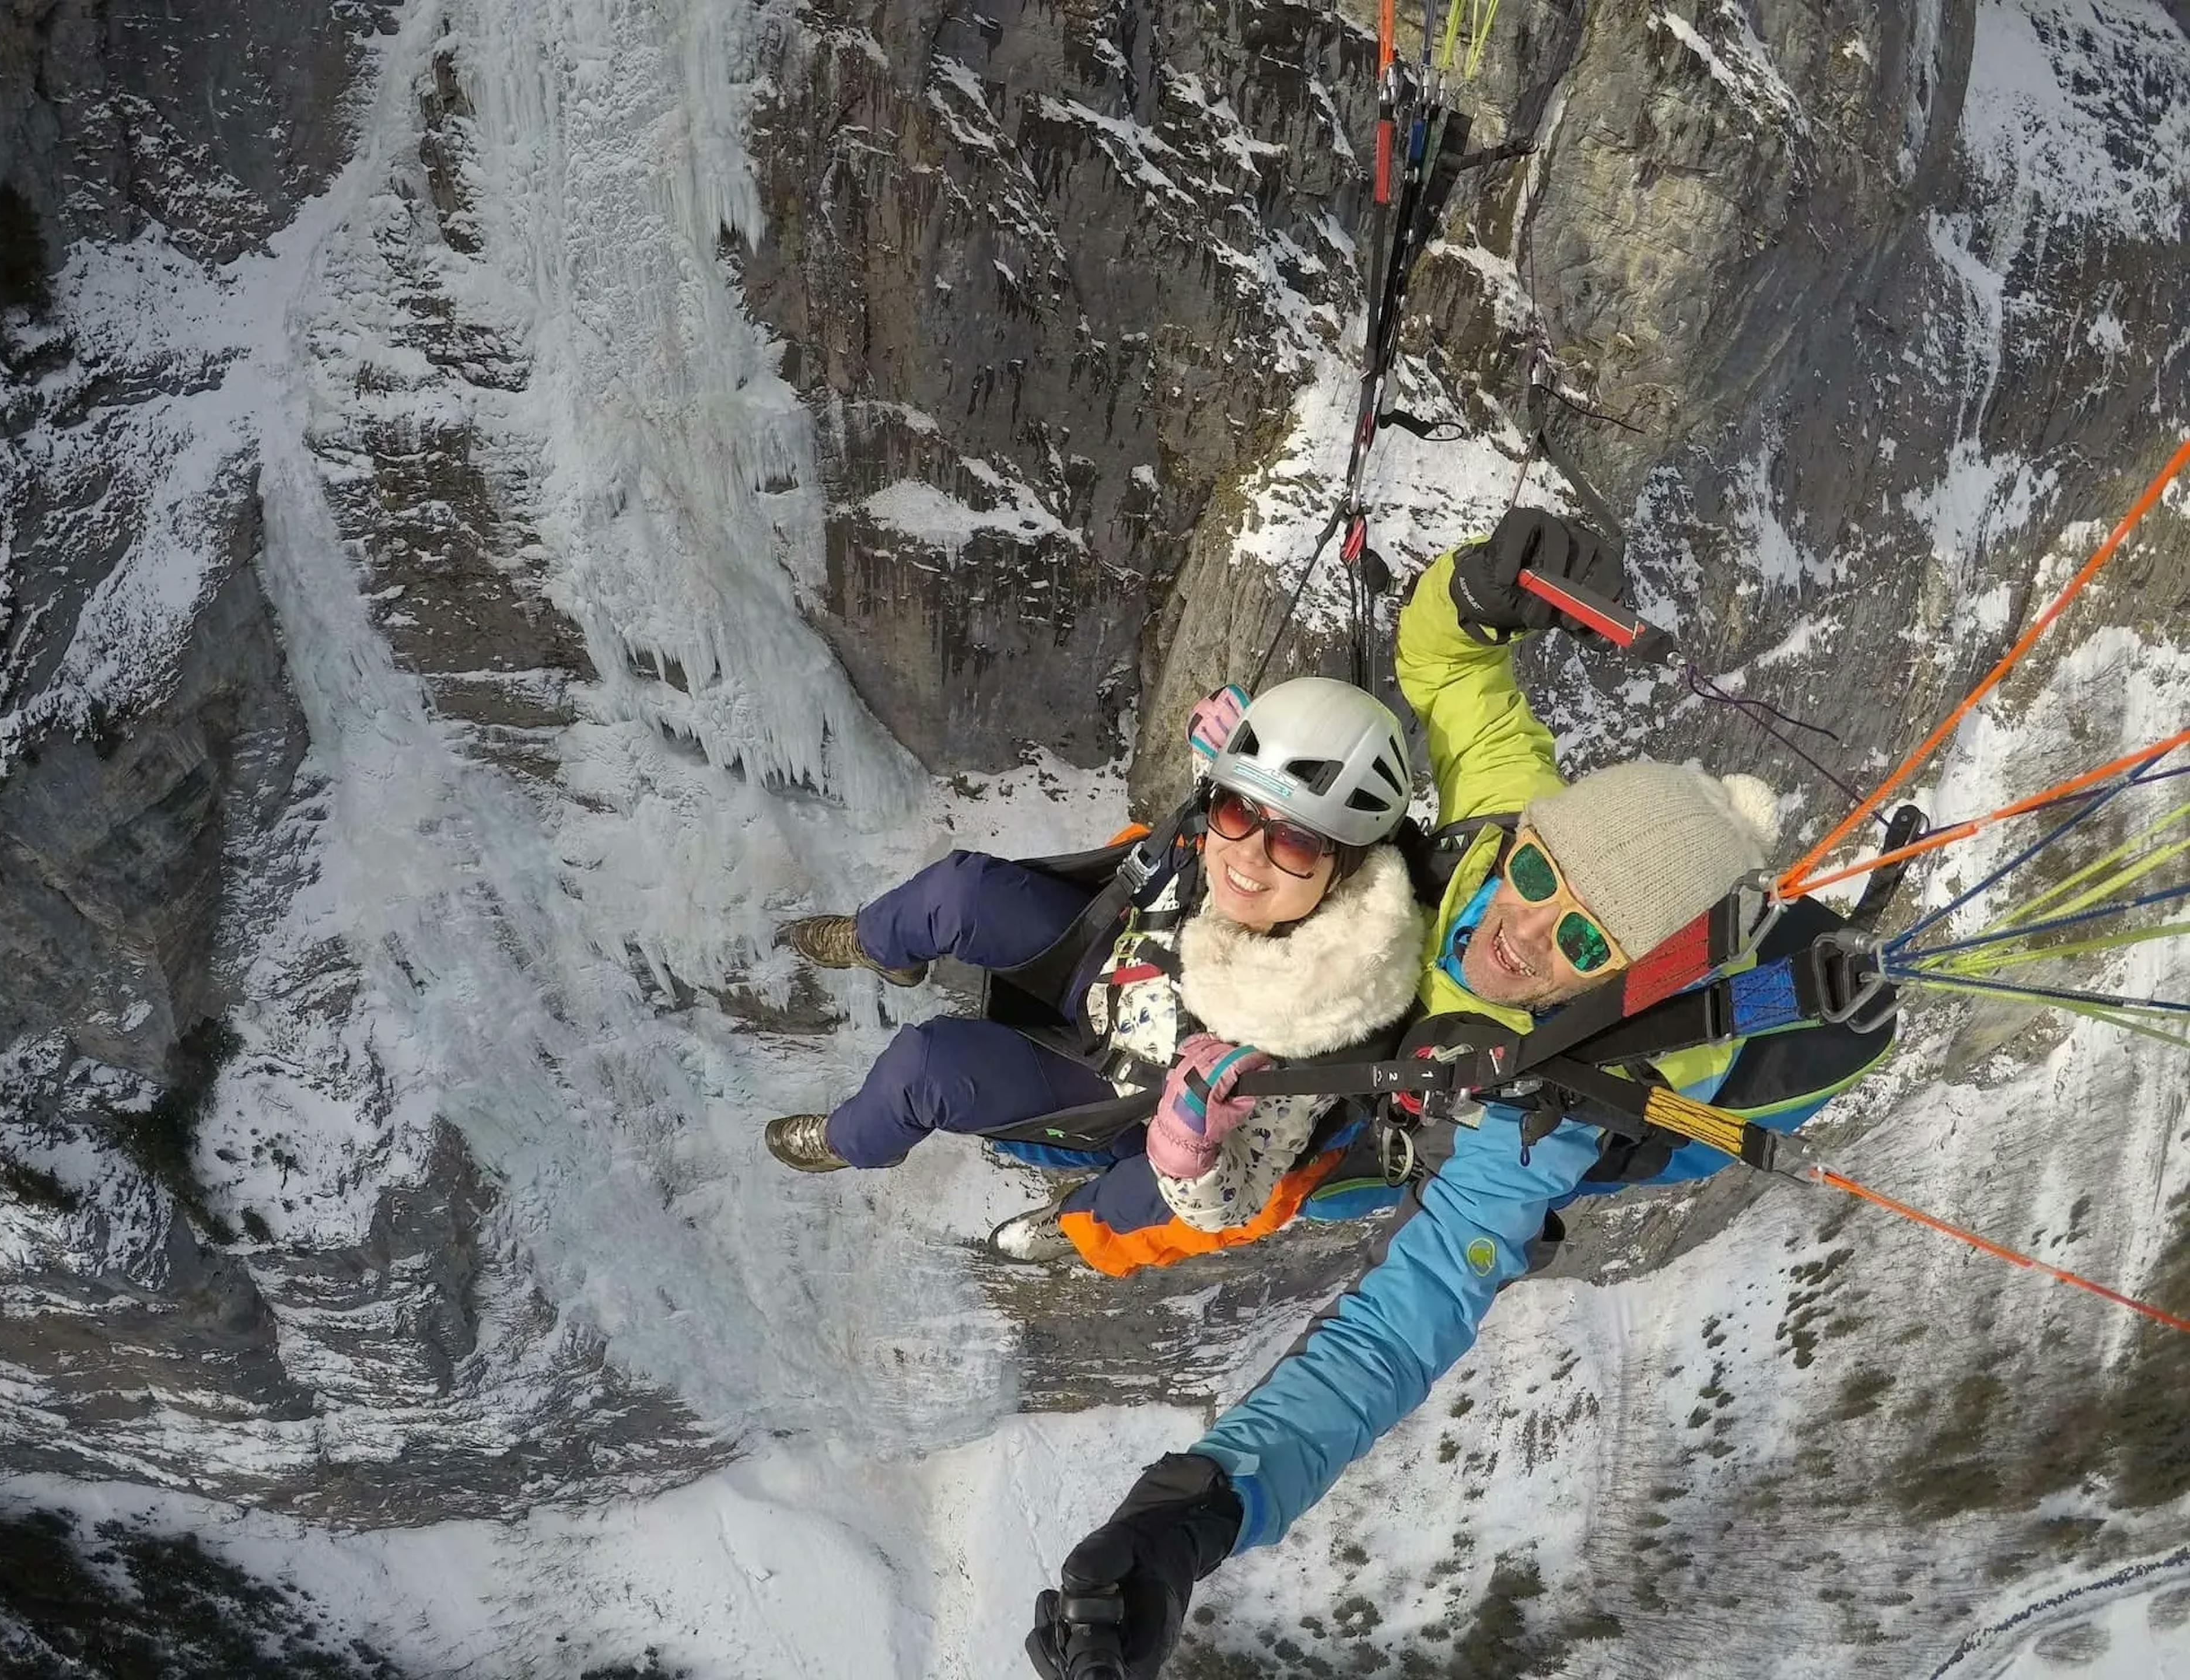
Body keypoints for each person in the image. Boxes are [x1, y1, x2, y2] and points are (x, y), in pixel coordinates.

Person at [1026, 514, 1848, 1679]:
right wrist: (1475, 589)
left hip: (1384, 1119)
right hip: (1322, 1029)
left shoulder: (1551, 1112)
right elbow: (1454, 671)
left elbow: (1398, 1333)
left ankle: (1071, 1207)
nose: (1517, 929)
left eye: (1583, 939)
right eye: (1533, 876)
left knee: (1144, 1189)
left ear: (1629, 983)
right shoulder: (1507, 818)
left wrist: (1186, 1516)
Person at [764, 677, 1430, 1272]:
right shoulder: (1257, 861)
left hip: (1121, 1091)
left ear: (1344, 867)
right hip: (1111, 963)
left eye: (1295, 840)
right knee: (957, 894)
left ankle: (851, 1142)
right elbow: (1233, 836)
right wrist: (1223, 763)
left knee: (926, 1070)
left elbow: (1237, 1199)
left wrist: (1182, 1148)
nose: (1248, 856)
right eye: (1237, 811)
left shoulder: (1318, 1016)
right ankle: (882, 945)